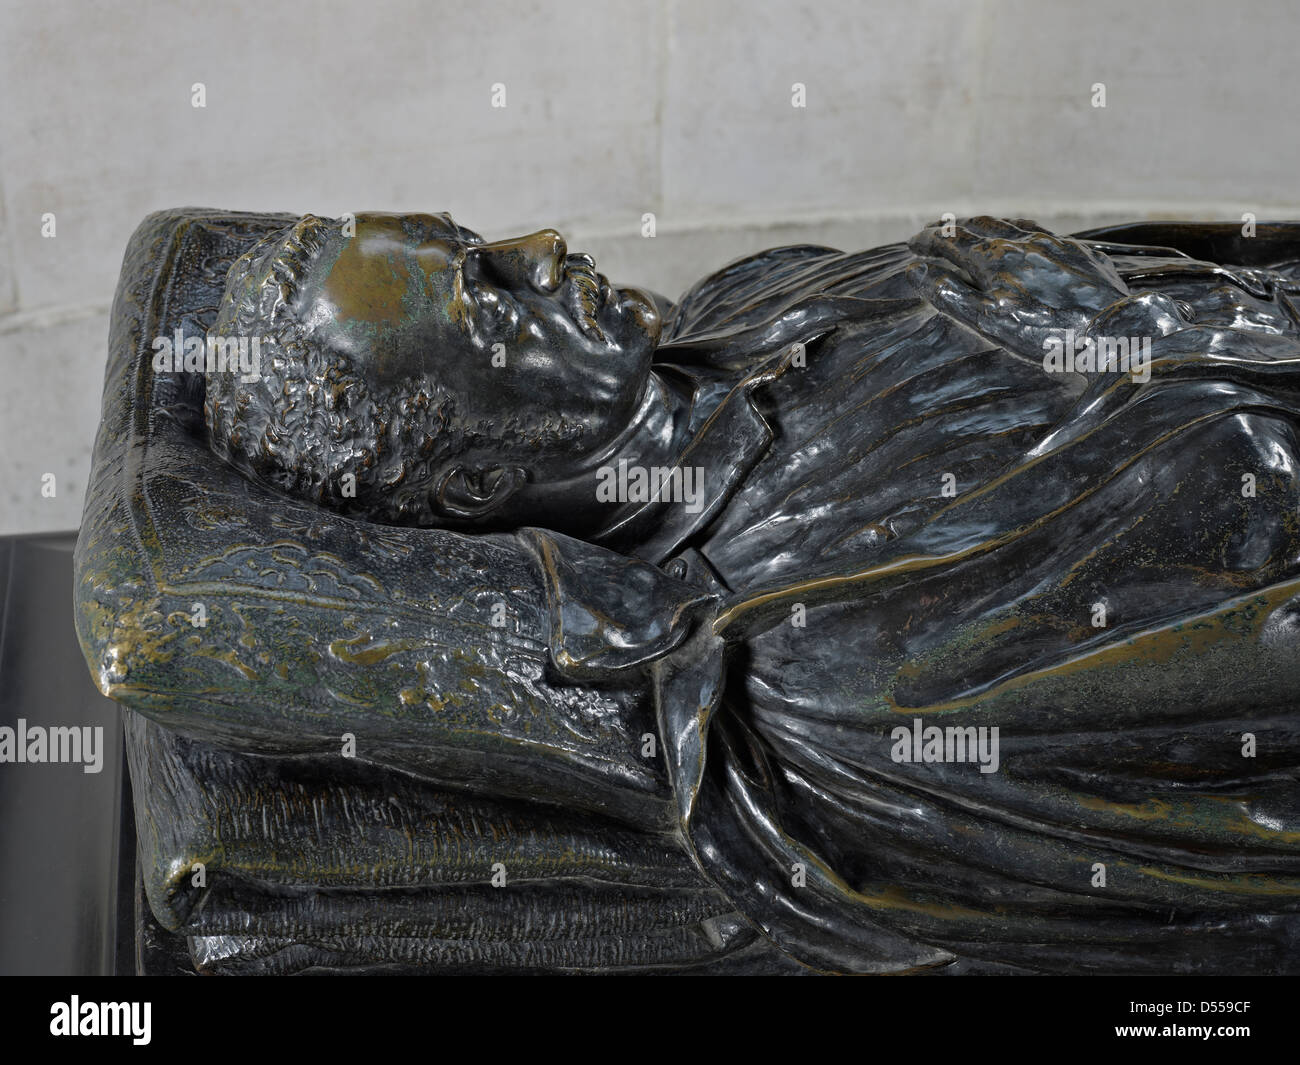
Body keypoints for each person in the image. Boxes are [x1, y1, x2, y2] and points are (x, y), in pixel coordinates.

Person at [82, 209, 1300, 973]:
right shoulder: (836, 674)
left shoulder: (768, 300)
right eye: (493, 301)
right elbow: (147, 612)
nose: (543, 248)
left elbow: (178, 246)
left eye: (483, 242)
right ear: (479, 486)